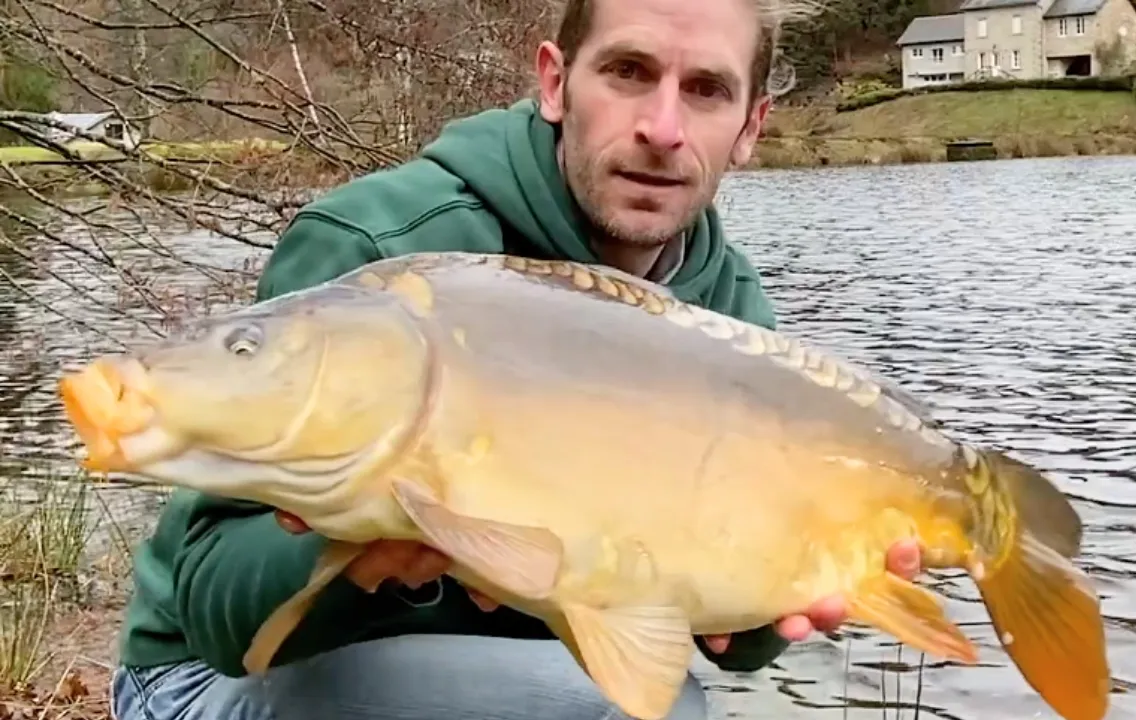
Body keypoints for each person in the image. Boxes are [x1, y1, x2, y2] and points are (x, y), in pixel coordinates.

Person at [108, 0, 924, 717]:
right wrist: (361, 556)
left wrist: (788, 591)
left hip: (520, 681)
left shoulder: (724, 312)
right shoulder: (383, 259)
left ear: (750, 126)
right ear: (555, 83)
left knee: (663, 698)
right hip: (205, 688)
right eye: (629, 72)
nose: (663, 128)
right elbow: (210, 608)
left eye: (706, 89)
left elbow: (721, 641)